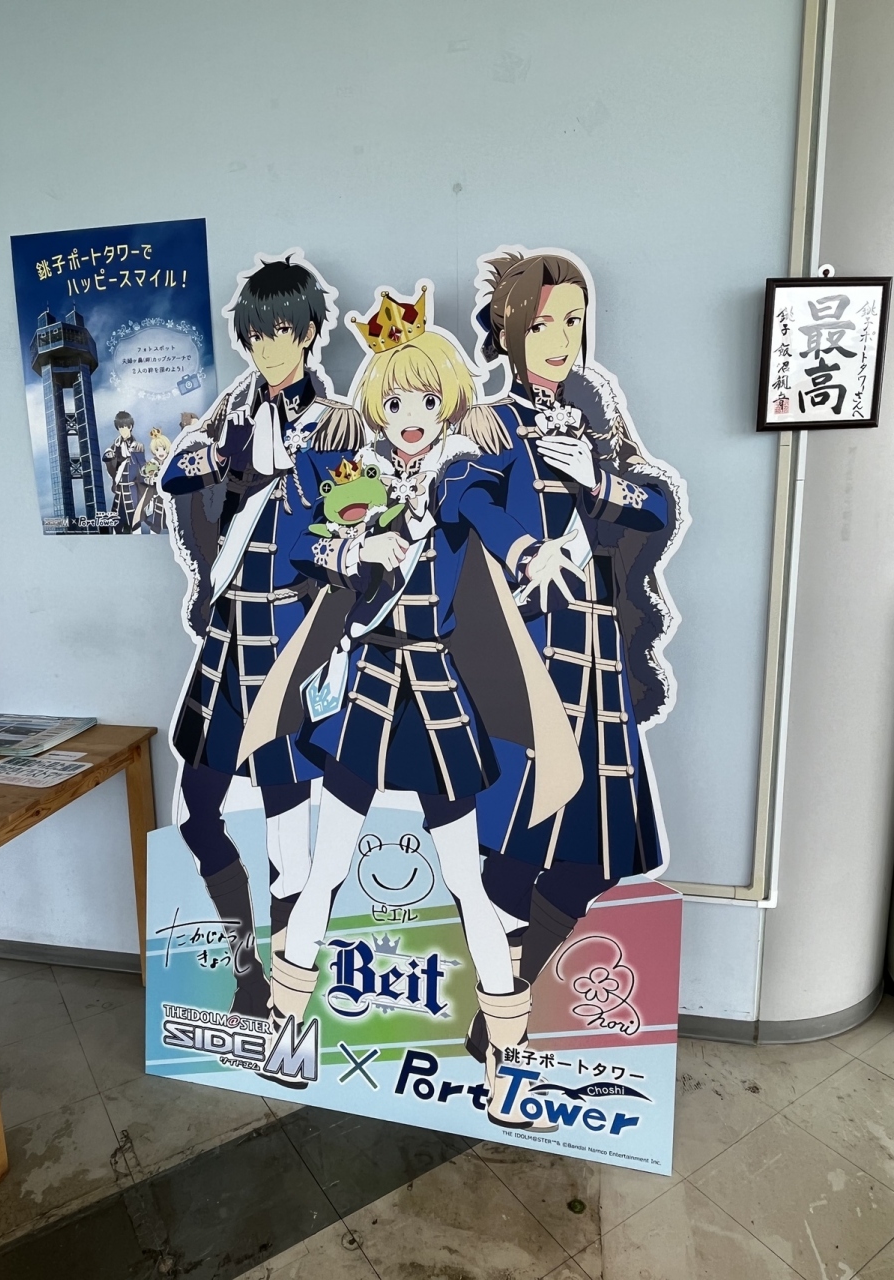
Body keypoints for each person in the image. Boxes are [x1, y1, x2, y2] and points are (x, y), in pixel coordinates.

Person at [239, 285, 582, 1127]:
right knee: (326, 866)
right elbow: (296, 542)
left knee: (466, 878)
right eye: (395, 403)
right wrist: (357, 544)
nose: (411, 417)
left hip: (435, 694)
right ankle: (286, 1032)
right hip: (367, 686)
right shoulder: (350, 472)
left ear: (449, 402)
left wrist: (530, 550)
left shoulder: (460, 473)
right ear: (375, 406)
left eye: (427, 401)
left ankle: (507, 1063)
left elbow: (490, 517)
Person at [465, 247, 684, 1060]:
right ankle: (501, 1010)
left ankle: (506, 999)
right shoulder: (491, 422)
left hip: (597, 653)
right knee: (505, 844)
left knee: (594, 856)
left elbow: (656, 505)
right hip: (522, 655)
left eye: (573, 321)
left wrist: (598, 479)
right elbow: (462, 494)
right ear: (508, 330)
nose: (560, 339)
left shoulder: (594, 413)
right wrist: (523, 548)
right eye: (543, 323)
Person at [160, 255, 364, 1019]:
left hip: (288, 636)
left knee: (288, 836)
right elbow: (177, 475)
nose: (270, 346)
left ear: (309, 331)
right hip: (228, 637)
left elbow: (352, 521)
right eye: (257, 333)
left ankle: (281, 993)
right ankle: (245, 967)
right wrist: (229, 457)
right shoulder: (232, 414)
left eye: (283, 329)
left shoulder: (336, 421)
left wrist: (300, 468)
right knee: (197, 814)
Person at [103, 411, 146, 532]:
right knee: (116, 522)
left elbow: (142, 467)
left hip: (132, 489)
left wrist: (144, 487)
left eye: (125, 427)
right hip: (119, 489)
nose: (122, 430)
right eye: (120, 427)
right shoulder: (114, 447)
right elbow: (109, 465)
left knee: (134, 522)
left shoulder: (138, 446)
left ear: (130, 427)